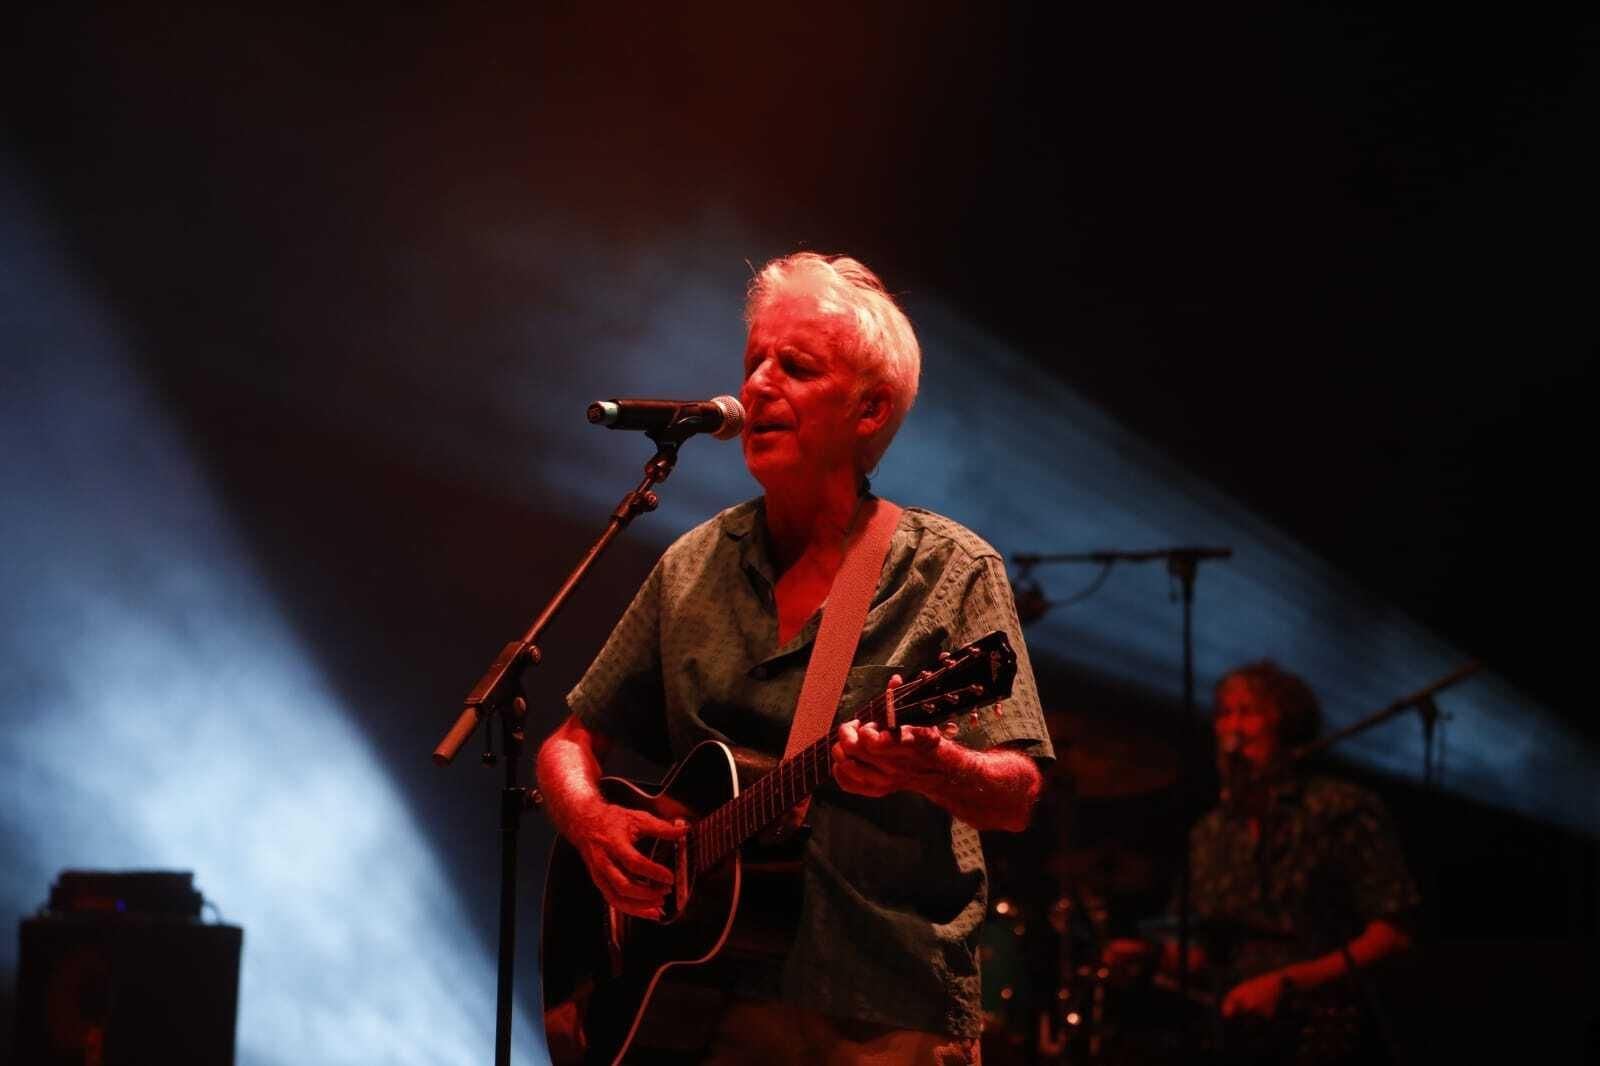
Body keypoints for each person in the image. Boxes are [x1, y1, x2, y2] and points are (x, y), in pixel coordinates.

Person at [537, 252, 1054, 1064]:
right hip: (692, 1010)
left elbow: (1016, 793)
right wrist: (594, 823)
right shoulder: (692, 565)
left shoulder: (952, 571)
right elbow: (569, 745)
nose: (758, 386)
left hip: (881, 1012)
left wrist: (930, 766)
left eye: (797, 367)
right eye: (754, 363)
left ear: (871, 408)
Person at [1104, 661, 1420, 1063]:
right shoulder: (1210, 834)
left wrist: (1288, 984)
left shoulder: (1341, 808)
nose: (1233, 728)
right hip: (1238, 1037)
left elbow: (1392, 935)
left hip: (1332, 1033)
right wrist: (1149, 955)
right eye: (1224, 714)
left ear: (1287, 727)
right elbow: (1202, 953)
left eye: (1249, 712)